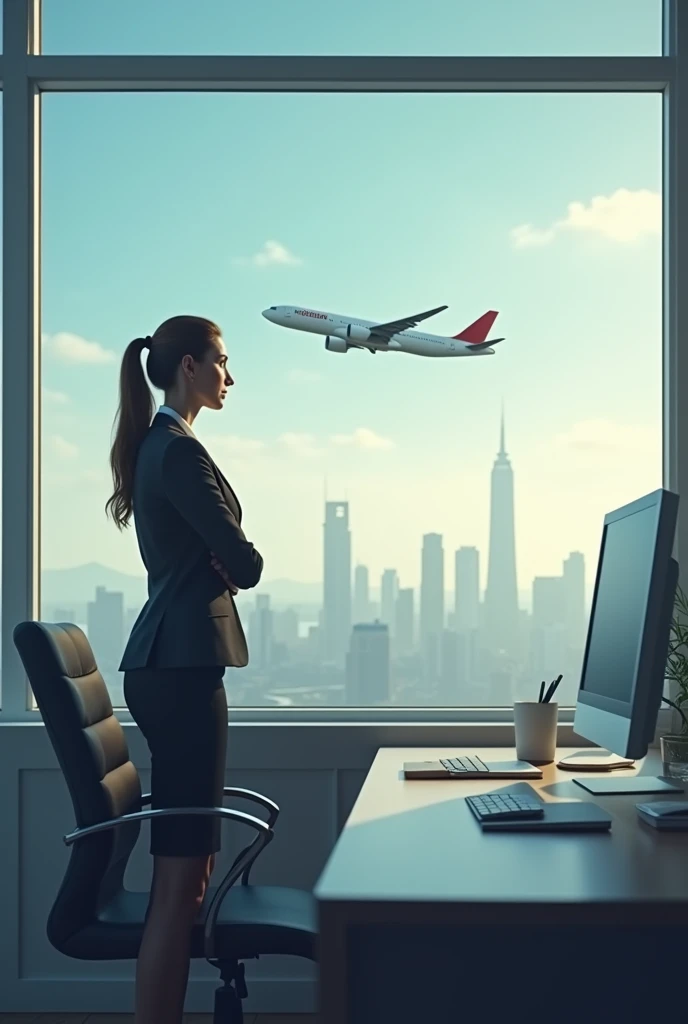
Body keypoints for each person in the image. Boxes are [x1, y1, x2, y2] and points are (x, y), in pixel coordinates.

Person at [106, 314, 263, 1024]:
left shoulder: (166, 446)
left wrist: (223, 555)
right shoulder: (176, 451)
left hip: (178, 666)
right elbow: (246, 561)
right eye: (223, 362)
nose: (231, 377)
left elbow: (221, 552)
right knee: (179, 882)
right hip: (181, 668)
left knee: (189, 873)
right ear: (190, 368)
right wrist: (232, 557)